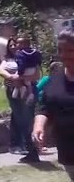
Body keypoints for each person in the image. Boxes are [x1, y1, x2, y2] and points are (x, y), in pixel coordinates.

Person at [34, 27, 74, 171]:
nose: (64, 55)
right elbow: (44, 107)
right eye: (60, 50)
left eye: (70, 50)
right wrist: (39, 126)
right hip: (68, 154)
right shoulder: (54, 81)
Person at [0, 39, 39, 160]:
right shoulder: (7, 60)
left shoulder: (29, 57)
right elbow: (1, 71)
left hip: (27, 91)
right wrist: (12, 77)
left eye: (15, 44)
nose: (14, 46)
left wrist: (21, 78)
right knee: (20, 120)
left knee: (28, 120)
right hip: (13, 92)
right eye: (11, 45)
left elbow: (37, 75)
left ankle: (33, 151)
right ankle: (26, 147)